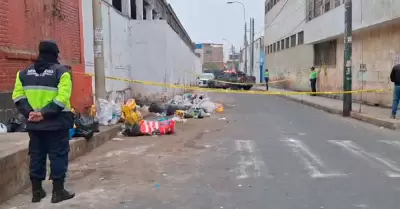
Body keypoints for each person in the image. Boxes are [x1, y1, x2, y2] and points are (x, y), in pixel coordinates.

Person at [12, 40, 75, 203]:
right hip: (57, 123)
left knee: (37, 155)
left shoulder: (23, 73)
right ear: (55, 53)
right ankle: (58, 192)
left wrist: (31, 113)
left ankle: (37, 192)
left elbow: (18, 97)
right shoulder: (62, 72)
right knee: (58, 155)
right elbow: (62, 99)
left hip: (34, 124)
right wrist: (44, 114)